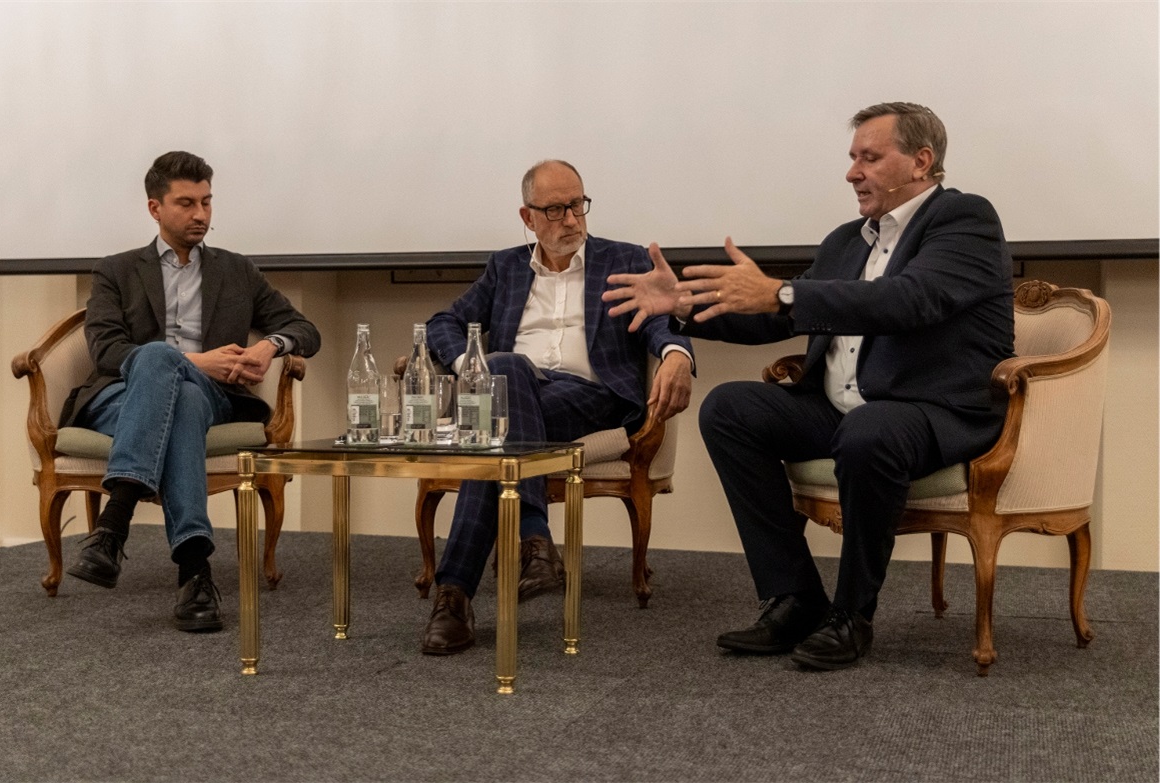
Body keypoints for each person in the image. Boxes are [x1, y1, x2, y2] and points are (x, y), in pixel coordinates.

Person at [603, 102, 1014, 670]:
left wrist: (784, 293)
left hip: (932, 409)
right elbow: (775, 318)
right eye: (852, 158)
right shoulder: (847, 241)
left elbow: (913, 299)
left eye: (869, 158)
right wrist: (683, 307)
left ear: (922, 161)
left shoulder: (965, 220)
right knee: (730, 408)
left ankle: (852, 616)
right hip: (839, 406)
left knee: (870, 431)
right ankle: (793, 596)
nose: (852, 173)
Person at [420, 159, 695, 655]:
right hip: (518, 394)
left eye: (577, 205)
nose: (570, 219)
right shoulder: (504, 267)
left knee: (499, 396)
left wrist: (677, 353)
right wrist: (468, 364)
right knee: (504, 381)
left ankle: (457, 593)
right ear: (528, 218)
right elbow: (444, 321)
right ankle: (527, 549)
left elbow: (660, 323)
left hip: (594, 396)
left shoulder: (623, 260)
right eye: (555, 210)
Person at [60, 151, 321, 632]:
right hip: (124, 397)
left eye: (206, 202)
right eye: (186, 203)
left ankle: (112, 527)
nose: (201, 214)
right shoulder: (116, 270)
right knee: (167, 368)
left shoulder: (236, 270)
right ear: (155, 208)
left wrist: (269, 345)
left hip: (215, 397)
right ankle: (195, 573)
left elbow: (304, 328)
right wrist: (194, 360)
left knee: (189, 395)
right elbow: (107, 351)